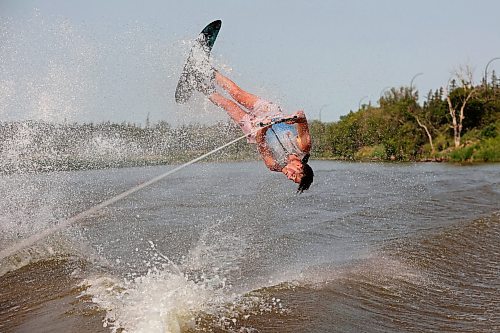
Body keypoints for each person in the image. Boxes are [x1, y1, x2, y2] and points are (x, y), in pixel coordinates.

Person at [195, 70, 314, 193]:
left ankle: (198, 85)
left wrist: (263, 130)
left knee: (229, 105)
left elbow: (260, 143)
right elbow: (302, 117)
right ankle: (206, 69)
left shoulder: (274, 165)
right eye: (293, 176)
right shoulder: (303, 147)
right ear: (300, 166)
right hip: (270, 112)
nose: (288, 177)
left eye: (291, 179)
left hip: (253, 128)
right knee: (237, 94)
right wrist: (291, 118)